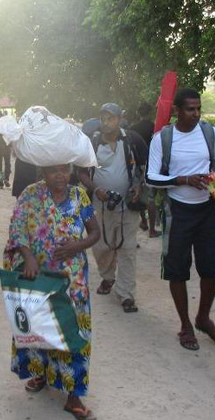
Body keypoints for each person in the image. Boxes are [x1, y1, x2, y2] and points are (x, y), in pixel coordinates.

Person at [4, 164, 100, 420]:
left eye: (65, 170)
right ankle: (41, 373)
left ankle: (73, 394)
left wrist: (76, 246)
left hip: (72, 279)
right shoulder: (30, 194)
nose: (60, 175)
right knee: (39, 327)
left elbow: (95, 233)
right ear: (43, 173)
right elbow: (17, 228)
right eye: (53, 170)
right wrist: (28, 258)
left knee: (74, 331)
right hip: (39, 277)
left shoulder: (80, 195)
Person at [146, 88, 215, 350]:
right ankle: (185, 325)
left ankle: (203, 318)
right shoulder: (162, 139)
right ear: (177, 111)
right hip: (178, 212)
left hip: (208, 211)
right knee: (177, 270)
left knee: (211, 267)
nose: (196, 114)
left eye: (198, 108)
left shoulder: (210, 133)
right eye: (190, 109)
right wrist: (183, 180)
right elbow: (151, 176)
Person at [77, 103, 148, 313]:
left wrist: (137, 185)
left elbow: (144, 168)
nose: (106, 122)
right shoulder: (92, 143)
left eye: (111, 118)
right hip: (99, 205)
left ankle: (126, 294)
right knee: (101, 246)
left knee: (127, 248)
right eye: (103, 118)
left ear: (120, 119)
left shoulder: (133, 140)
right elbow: (81, 174)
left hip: (128, 205)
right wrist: (97, 189)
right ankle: (108, 277)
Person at [129, 102, 161, 237]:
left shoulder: (132, 128)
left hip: (135, 163)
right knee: (150, 196)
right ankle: (152, 230)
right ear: (149, 113)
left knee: (138, 192)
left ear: (138, 113)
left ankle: (143, 221)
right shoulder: (154, 128)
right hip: (150, 163)